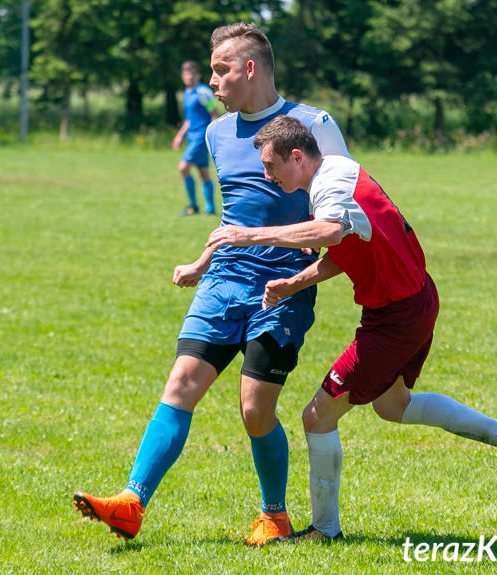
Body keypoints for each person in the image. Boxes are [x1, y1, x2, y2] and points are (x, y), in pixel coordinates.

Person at [73, 22, 351, 545]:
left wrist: (295, 266)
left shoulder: (315, 125)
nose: (213, 81)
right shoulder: (216, 132)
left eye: (222, 70)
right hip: (225, 280)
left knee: (254, 408)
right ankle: (132, 503)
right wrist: (204, 262)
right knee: (180, 385)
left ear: (250, 69)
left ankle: (275, 514)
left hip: (284, 283)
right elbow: (233, 216)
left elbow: (345, 208)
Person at [205, 115, 497, 543]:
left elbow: (329, 231)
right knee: (392, 405)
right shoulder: (335, 174)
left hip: (396, 317)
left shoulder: (331, 188)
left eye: (271, 167)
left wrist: (251, 236)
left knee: (317, 416)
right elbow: (348, 247)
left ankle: (325, 532)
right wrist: (294, 283)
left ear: (296, 156)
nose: (268, 177)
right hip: (415, 300)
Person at [172, 61, 219, 216]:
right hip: (192, 137)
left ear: (198, 75)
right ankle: (210, 209)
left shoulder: (203, 92)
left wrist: (213, 135)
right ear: (182, 76)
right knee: (203, 172)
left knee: (183, 168)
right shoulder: (187, 93)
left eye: (192, 73)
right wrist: (180, 136)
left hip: (200, 137)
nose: (189, 76)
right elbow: (189, 120)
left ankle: (193, 205)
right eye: (186, 74)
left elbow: (214, 113)